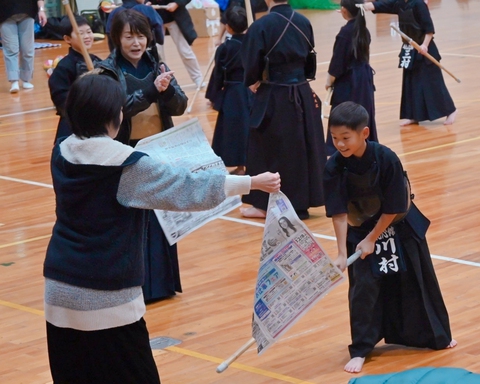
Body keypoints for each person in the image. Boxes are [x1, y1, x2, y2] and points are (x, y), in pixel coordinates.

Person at [43, 72, 281, 383]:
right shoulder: (127, 166)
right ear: (113, 115)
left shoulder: (61, 151)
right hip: (107, 297)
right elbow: (186, 187)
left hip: (58, 289)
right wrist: (250, 182)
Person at [322, 101, 456, 374]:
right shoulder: (334, 166)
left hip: (400, 225)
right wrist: (339, 252)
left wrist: (374, 238)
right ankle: (361, 348)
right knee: (363, 290)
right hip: (359, 230)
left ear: (365, 133)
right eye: (335, 138)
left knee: (416, 280)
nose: (340, 144)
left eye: (346, 138)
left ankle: (436, 336)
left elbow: (395, 206)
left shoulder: (387, 158)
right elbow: (337, 212)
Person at [98, 8, 187, 302]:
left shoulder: (157, 63)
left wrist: (166, 92)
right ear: (116, 38)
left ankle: (161, 284)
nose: (136, 43)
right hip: (128, 155)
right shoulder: (108, 71)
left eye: (140, 36)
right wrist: (151, 91)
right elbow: (117, 112)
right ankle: (134, 285)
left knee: (161, 219)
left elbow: (180, 106)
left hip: (159, 151)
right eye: (128, 37)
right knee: (132, 220)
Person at [239, 0, 327, 220]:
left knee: (267, 148)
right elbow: (309, 60)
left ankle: (264, 205)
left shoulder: (261, 26)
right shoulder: (304, 22)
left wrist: (253, 81)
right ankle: (300, 204)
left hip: (274, 94)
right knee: (301, 148)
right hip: (302, 93)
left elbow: (251, 64)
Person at [363, 0, 457, 126]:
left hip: (425, 49)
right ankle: (413, 115)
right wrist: (364, 6)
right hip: (410, 49)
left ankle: (451, 111)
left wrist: (424, 45)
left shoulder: (419, 4)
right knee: (410, 83)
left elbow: (429, 28)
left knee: (434, 83)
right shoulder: (400, 3)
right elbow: (382, 5)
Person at [325, 0, 377, 156]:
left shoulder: (345, 33)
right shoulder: (363, 29)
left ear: (344, 10)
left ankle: (341, 148)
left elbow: (338, 62)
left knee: (344, 113)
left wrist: (329, 81)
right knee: (363, 112)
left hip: (349, 81)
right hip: (364, 79)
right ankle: (364, 145)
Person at [206, 6, 251, 176]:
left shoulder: (224, 48)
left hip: (232, 93)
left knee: (233, 130)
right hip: (251, 91)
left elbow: (218, 75)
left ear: (228, 27)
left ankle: (240, 167)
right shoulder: (252, 44)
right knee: (248, 128)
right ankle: (248, 165)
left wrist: (213, 95)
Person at [48, 15, 102, 143]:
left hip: (98, 122)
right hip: (74, 125)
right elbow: (61, 99)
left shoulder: (98, 62)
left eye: (89, 32)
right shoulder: (64, 67)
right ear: (67, 39)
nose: (87, 36)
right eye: (80, 33)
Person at [150, 0, 204, 88]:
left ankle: (198, 78)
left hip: (175, 18)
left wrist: (177, 3)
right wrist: (146, 4)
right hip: (155, 20)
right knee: (158, 54)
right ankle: (163, 81)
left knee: (185, 51)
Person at [0, 0, 47, 93]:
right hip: (4, 14)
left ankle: (26, 79)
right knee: (11, 49)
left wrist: (41, 10)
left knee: (27, 49)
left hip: (27, 13)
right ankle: (14, 81)